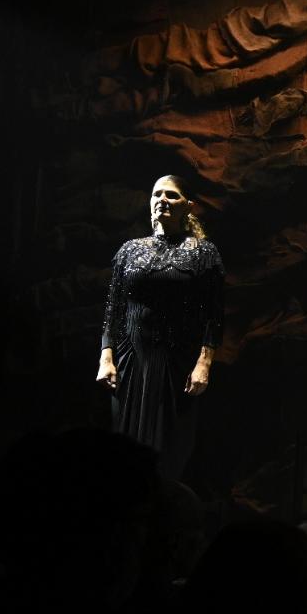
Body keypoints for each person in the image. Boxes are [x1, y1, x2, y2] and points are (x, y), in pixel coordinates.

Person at [97, 175, 224, 480]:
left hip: (177, 361)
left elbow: (214, 315)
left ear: (188, 206)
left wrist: (204, 363)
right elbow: (114, 308)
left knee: (171, 445)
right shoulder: (129, 250)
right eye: (157, 194)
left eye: (172, 195)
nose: (162, 199)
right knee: (124, 448)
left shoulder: (203, 253)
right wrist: (106, 357)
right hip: (131, 360)